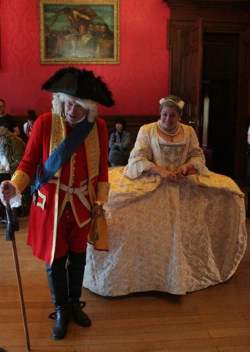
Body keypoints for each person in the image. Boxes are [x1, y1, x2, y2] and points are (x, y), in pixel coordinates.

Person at [83, 95, 247, 297]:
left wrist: (186, 168)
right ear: (160, 114)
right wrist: (160, 171)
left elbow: (197, 156)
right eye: (164, 115)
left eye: (172, 116)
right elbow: (137, 158)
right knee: (116, 204)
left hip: (183, 182)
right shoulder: (147, 130)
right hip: (154, 180)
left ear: (179, 116)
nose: (168, 119)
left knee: (228, 192)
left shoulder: (188, 131)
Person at [0, 67, 114, 340]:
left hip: (83, 205)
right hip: (51, 205)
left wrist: (100, 200)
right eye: (68, 103)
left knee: (78, 259)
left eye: (79, 105)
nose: (72, 110)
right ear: (60, 100)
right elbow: (28, 163)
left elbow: (102, 169)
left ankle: (75, 303)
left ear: (90, 107)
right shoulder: (45, 123)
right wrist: (14, 186)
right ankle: (61, 309)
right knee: (55, 260)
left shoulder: (97, 127)